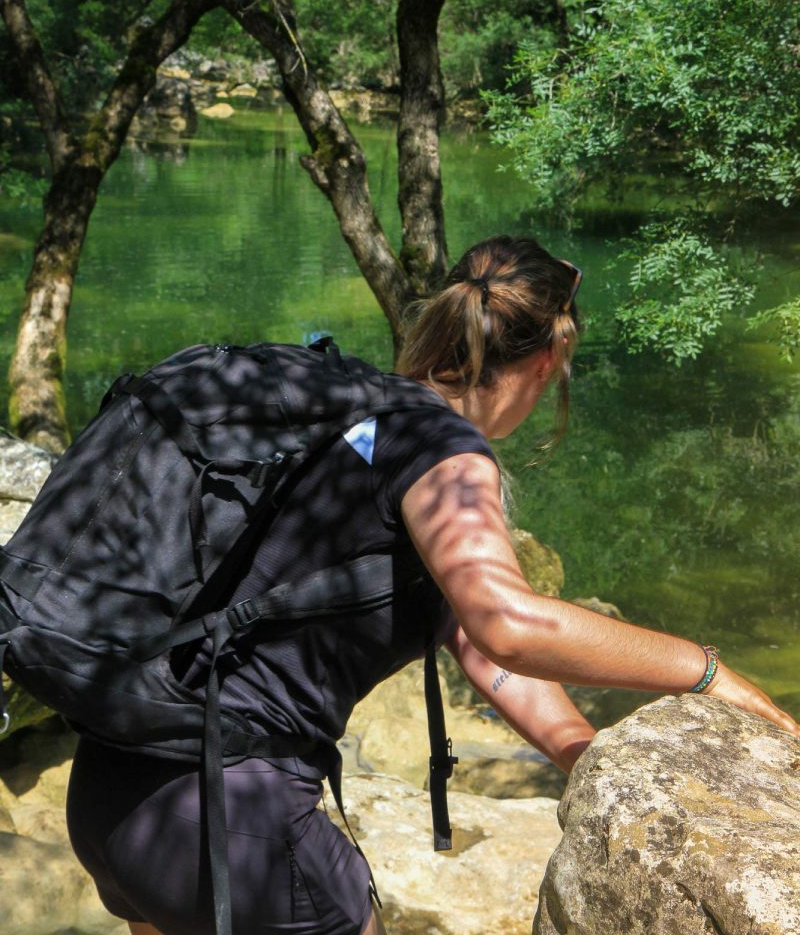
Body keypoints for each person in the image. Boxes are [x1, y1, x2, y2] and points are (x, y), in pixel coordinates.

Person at [66, 234, 800, 935]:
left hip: (114, 789)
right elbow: (505, 623)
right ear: (549, 360)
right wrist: (704, 671)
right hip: (231, 821)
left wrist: (584, 751)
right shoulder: (440, 449)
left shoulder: (354, 414)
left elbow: (478, 644)